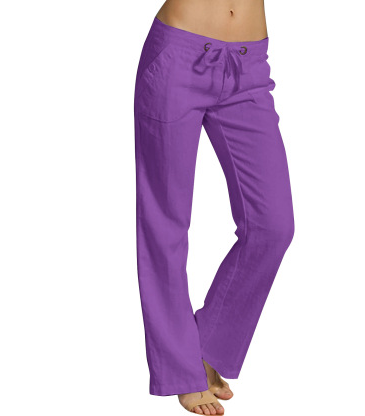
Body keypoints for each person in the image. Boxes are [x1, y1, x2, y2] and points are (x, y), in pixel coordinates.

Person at [134, 0, 295, 413]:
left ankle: (205, 349)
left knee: (273, 225)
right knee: (166, 223)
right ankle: (180, 370)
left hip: (249, 65)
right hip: (178, 56)